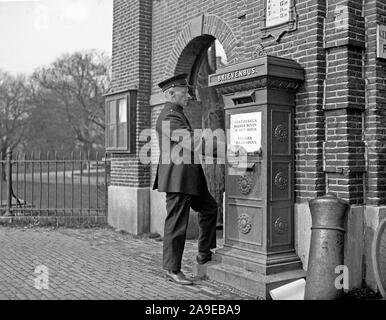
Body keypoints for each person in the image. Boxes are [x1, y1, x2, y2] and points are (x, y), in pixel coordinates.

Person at [153, 73, 244, 285]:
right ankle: (171, 268)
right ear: (170, 94)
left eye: (188, 93)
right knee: (176, 224)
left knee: (210, 209)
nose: (189, 96)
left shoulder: (176, 114)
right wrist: (228, 150)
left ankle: (204, 253)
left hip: (190, 177)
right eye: (184, 93)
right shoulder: (168, 117)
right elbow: (193, 142)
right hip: (179, 179)